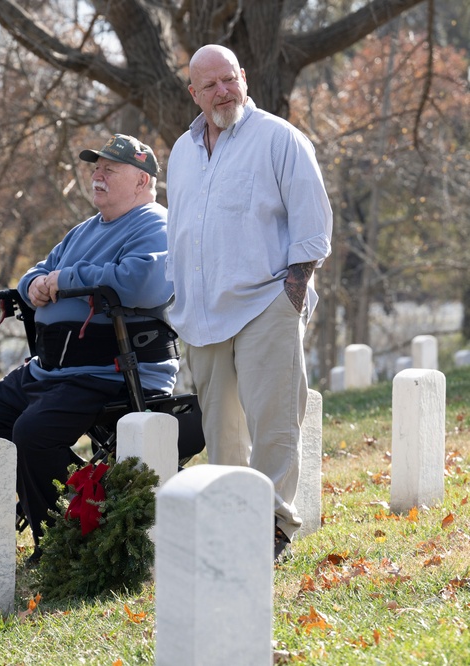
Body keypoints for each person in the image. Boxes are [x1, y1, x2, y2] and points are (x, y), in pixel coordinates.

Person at [0, 134, 179, 561]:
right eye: (95, 167)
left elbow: (145, 282)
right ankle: (72, 500)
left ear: (141, 181)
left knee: (33, 433)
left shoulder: (156, 224)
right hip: (53, 366)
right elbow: (37, 273)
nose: (97, 175)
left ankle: (61, 542)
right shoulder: (82, 231)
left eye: (109, 169)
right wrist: (35, 285)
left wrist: (64, 281)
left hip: (112, 367)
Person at [165, 45, 333, 560]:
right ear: (193, 93)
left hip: (266, 302)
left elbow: (312, 225)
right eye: (210, 85)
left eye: (230, 78)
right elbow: (181, 233)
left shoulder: (279, 139)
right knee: (223, 431)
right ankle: (236, 520)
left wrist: (292, 296)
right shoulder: (181, 152)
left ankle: (275, 526)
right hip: (203, 313)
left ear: (244, 76)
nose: (223, 91)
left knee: (275, 419)